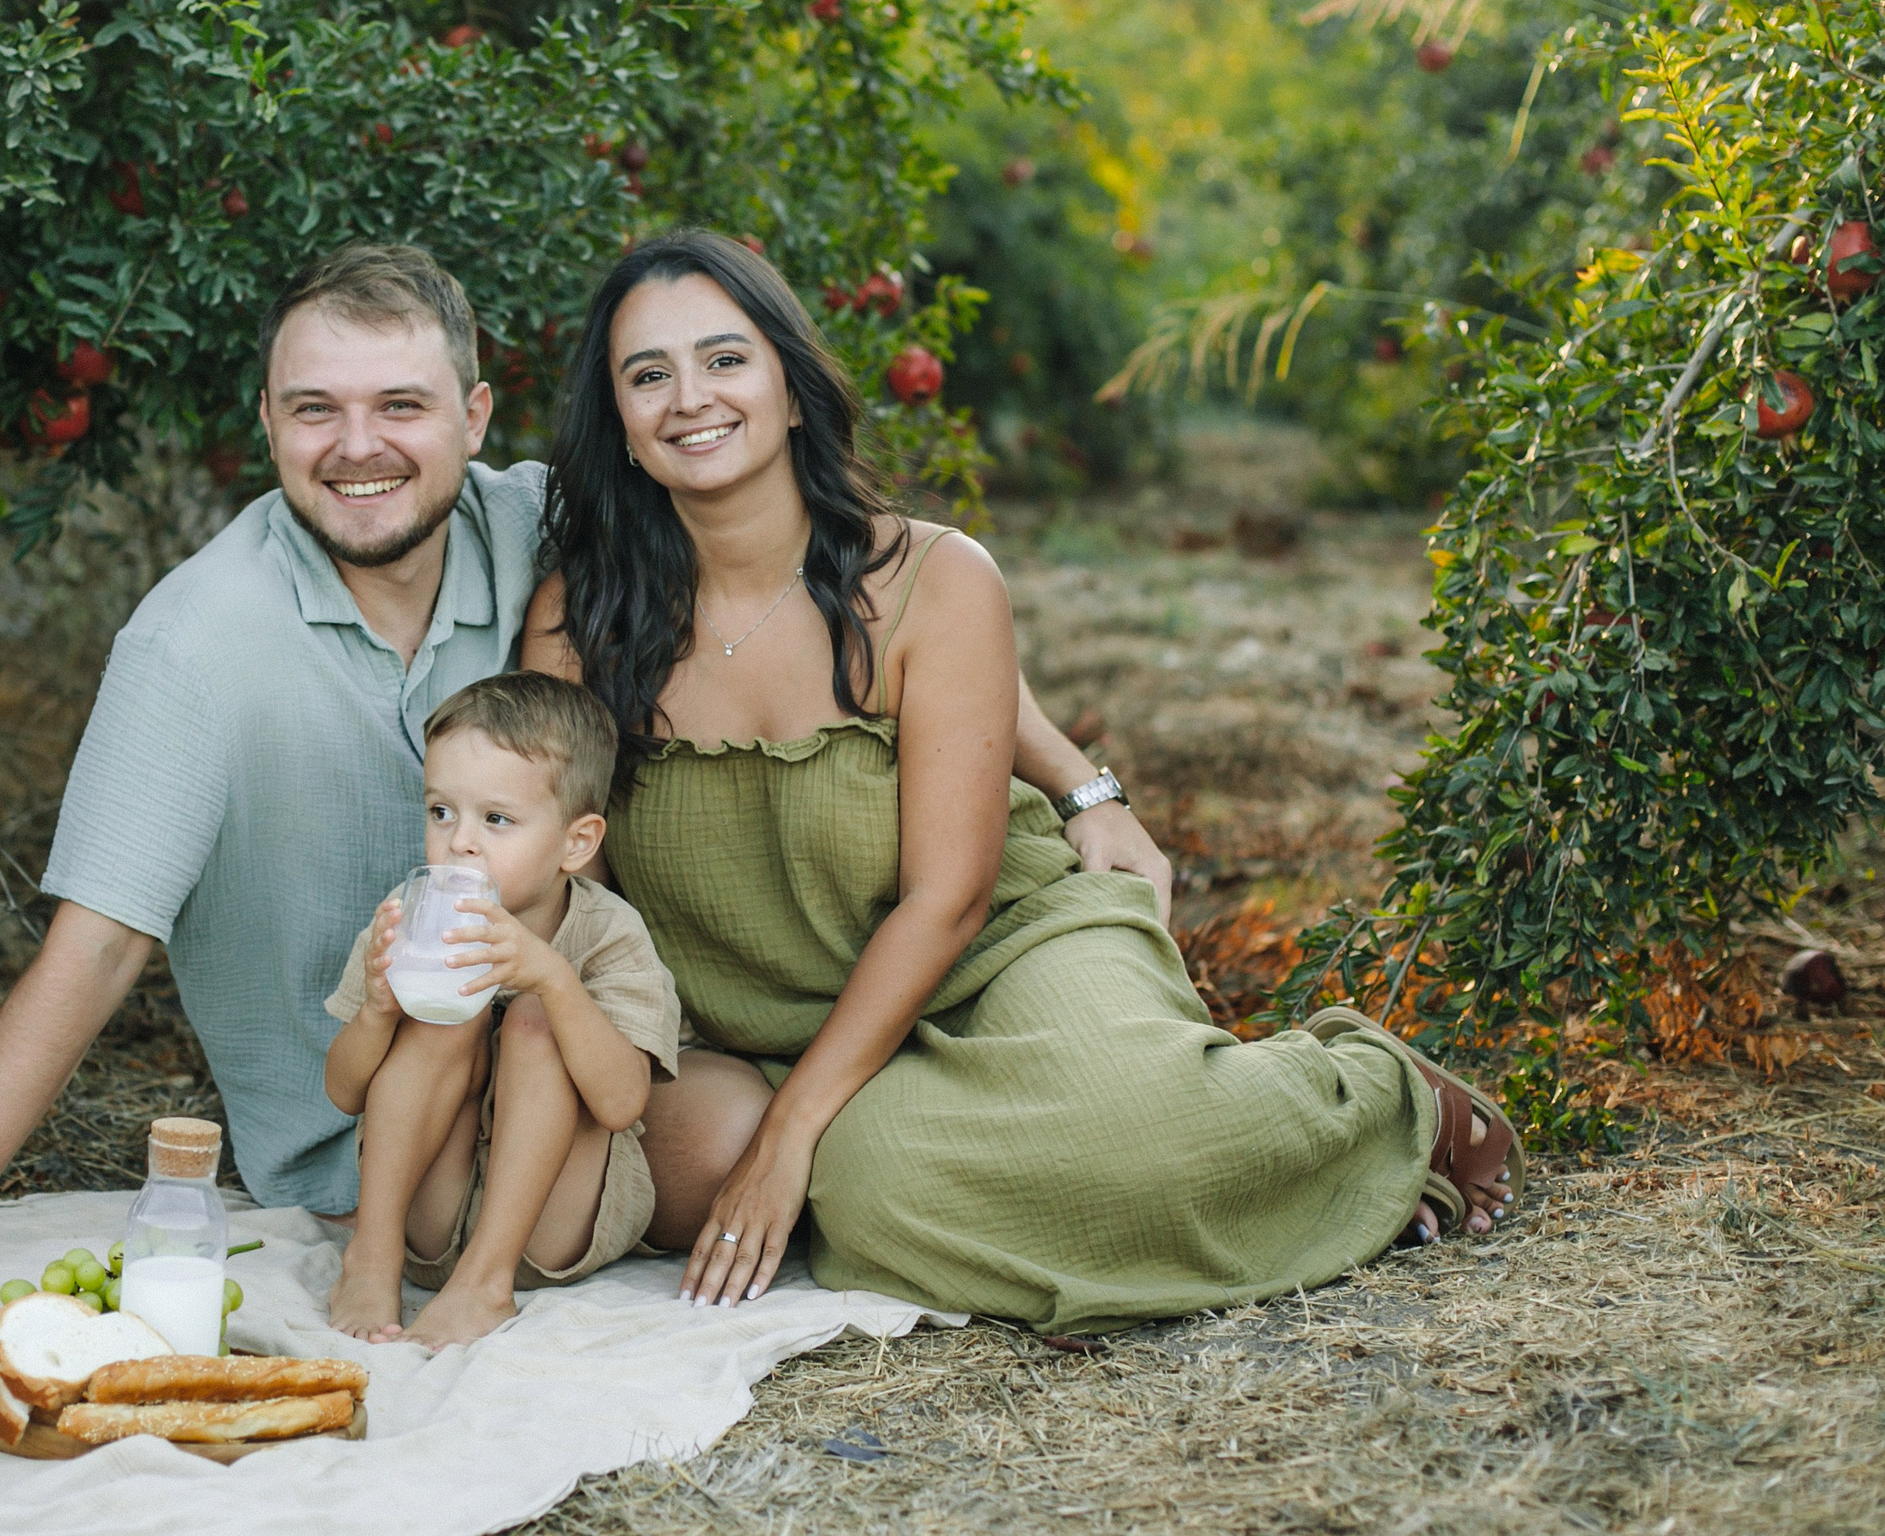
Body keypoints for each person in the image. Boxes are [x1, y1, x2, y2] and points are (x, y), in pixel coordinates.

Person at [0, 239, 1172, 1290]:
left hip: (578, 1030)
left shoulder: (543, 527)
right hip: (390, 1105)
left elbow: (870, 595)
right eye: (316, 410)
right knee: (730, 1149)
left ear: (474, 421)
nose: (360, 449)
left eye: (401, 406)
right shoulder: (192, 650)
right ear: (267, 423)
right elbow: (91, 956)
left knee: (765, 1126)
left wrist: (1080, 781)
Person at [521, 229, 1518, 1332]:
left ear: (791, 391)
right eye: (645, 374)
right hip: (764, 1021)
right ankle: (911, 1144)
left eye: (724, 360)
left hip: (1003, 947)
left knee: (1147, 1139)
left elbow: (948, 897)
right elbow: (579, 889)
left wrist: (795, 1128)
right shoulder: (579, 623)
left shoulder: (933, 579)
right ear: (615, 421)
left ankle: (1381, 1097)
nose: (687, 398)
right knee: (876, 1202)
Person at [323, 672, 679, 1348]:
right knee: (440, 1015)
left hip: (553, 1224)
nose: (461, 841)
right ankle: (371, 1256)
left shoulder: (609, 933)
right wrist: (375, 1010)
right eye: (441, 811)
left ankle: (486, 1284)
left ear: (578, 841)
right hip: (434, 1218)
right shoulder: (409, 919)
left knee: (537, 1022)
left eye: (496, 819)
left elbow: (623, 1101)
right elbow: (343, 1092)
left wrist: (552, 978)